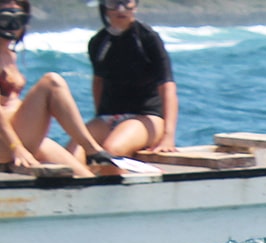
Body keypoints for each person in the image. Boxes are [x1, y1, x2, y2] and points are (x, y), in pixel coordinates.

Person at [0, 0, 115, 176]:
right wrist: (17, 148)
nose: (13, 25)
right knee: (52, 82)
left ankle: (92, 153)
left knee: (85, 178)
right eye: (6, 18)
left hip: (20, 136)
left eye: (20, 19)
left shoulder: (10, 55)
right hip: (7, 145)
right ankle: (91, 149)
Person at [80, 0, 177, 157]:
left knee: (111, 150)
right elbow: (98, 82)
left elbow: (167, 86)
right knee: (73, 152)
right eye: (113, 3)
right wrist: (99, 117)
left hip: (147, 117)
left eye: (126, 2)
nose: (120, 9)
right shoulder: (98, 42)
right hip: (109, 117)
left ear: (135, 5)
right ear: (104, 7)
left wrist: (168, 136)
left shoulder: (147, 38)